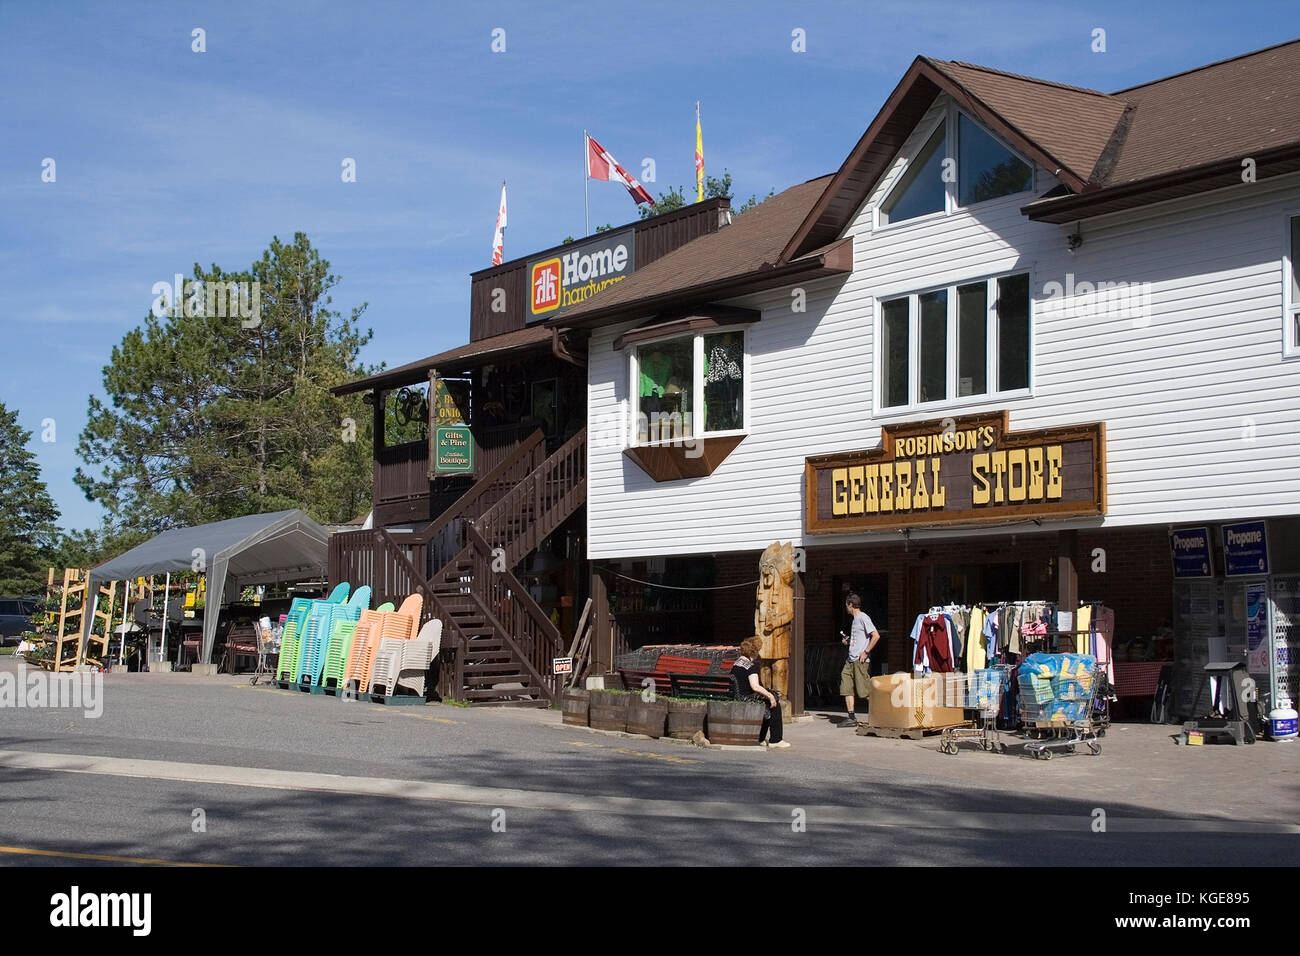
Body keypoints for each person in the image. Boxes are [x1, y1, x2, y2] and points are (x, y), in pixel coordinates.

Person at [733, 636, 789, 748]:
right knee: (774, 704)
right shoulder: (750, 667)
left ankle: (761, 738)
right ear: (755, 652)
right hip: (746, 698)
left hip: (738, 696)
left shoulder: (737, 663)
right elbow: (755, 687)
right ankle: (776, 740)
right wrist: (770, 695)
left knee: (769, 702)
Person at [840, 592, 881, 726]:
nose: (846, 608)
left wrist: (866, 652)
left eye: (847, 605)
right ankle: (851, 717)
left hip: (860, 659)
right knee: (846, 686)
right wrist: (849, 641)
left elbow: (875, 636)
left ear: (850, 605)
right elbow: (860, 639)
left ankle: (881, 713)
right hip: (850, 659)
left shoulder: (863, 617)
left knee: (864, 690)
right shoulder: (855, 620)